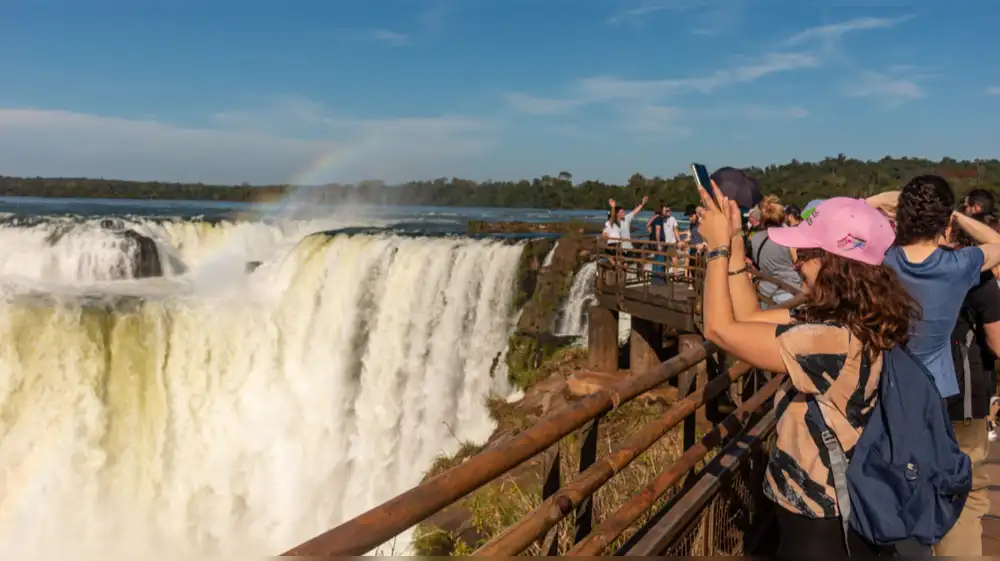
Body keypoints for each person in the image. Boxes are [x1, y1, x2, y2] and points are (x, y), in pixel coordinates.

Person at [697, 190, 916, 557]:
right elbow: (747, 319)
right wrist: (735, 244)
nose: (796, 262)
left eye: (807, 254)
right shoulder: (856, 317)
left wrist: (716, 250)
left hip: (822, 518)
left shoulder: (830, 341)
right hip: (829, 505)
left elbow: (719, 330)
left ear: (834, 263)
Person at [880, 175, 1000, 400]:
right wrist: (956, 215)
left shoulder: (884, 259)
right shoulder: (957, 265)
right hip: (935, 386)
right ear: (945, 223)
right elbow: (997, 242)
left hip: (888, 381)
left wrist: (876, 202)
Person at [933, 205, 1000, 556]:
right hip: (965, 398)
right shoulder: (978, 278)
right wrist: (957, 214)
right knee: (966, 490)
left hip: (913, 397)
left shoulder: (903, 268)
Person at [749, 196, 801, 306]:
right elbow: (799, 263)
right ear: (783, 217)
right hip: (792, 291)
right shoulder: (791, 236)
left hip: (766, 293)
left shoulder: (755, 238)